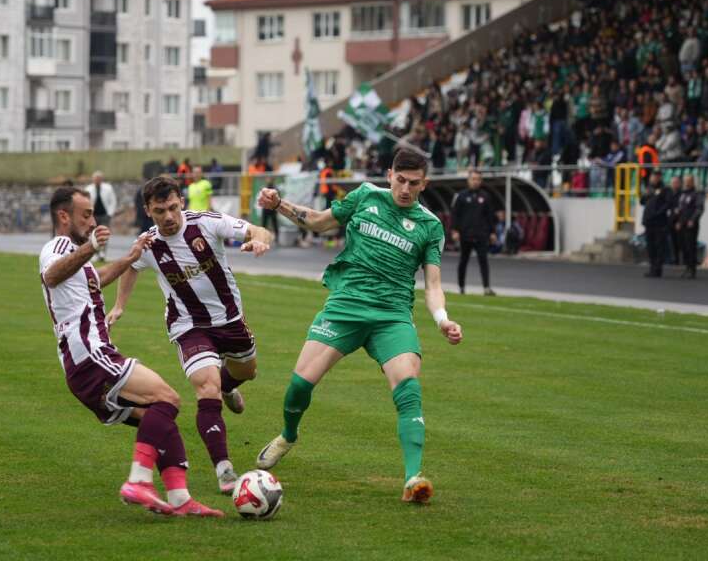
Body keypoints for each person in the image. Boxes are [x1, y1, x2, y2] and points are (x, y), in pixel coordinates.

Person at [253, 149, 463, 504]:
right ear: (389, 174)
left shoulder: (430, 226)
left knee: (408, 386)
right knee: (299, 385)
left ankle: (413, 478)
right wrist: (279, 206)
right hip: (346, 305)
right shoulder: (365, 196)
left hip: (391, 315)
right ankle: (288, 435)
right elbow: (319, 222)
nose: (405, 189)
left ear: (424, 183)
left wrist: (442, 320)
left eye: (414, 183)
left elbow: (432, 285)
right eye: (400, 180)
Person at [38, 187, 221, 517]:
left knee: (161, 420)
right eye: (86, 215)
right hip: (91, 355)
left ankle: (180, 500)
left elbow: (97, 279)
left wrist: (131, 256)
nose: (93, 221)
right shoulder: (60, 246)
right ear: (64, 217)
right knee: (168, 399)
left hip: (82, 366)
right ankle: (139, 481)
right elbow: (52, 275)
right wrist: (92, 246)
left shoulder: (74, 257)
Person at [109, 176, 275, 495]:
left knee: (246, 372)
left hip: (230, 319)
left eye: (172, 208)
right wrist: (119, 306)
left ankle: (229, 387)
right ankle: (224, 470)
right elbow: (131, 266)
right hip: (188, 326)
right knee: (206, 387)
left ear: (181, 202)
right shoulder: (148, 243)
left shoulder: (207, 224)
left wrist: (259, 239)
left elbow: (256, 229)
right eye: (160, 211)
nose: (168, 217)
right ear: (148, 211)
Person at [450, 169, 497, 295]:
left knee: (483, 261)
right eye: (473, 179)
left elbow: (490, 216)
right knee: (463, 261)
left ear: (481, 181)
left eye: (478, 179)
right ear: (468, 180)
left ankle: (486, 288)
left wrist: (492, 232)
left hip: (481, 235)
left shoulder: (485, 196)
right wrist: (455, 230)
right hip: (465, 235)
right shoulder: (461, 196)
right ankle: (461, 287)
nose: (475, 181)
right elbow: (455, 214)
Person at [641, 173, 672, 278]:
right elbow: (642, 201)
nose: (653, 178)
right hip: (648, 222)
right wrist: (645, 194)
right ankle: (652, 268)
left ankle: (658, 269)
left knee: (659, 246)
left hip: (659, 222)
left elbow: (668, 203)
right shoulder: (648, 188)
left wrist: (658, 213)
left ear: (659, 178)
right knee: (650, 247)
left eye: (655, 177)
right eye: (652, 177)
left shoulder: (665, 189)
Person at [674, 174, 704, 278]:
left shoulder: (696, 194)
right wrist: (678, 221)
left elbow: (699, 208)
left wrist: (693, 219)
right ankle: (687, 267)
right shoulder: (683, 194)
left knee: (691, 247)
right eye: (685, 181)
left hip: (690, 225)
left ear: (692, 182)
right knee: (683, 247)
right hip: (682, 224)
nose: (686, 183)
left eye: (688, 181)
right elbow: (681, 209)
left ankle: (692, 269)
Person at [87, 171, 117, 261]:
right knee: (93, 234)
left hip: (104, 215)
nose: (97, 180)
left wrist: (110, 213)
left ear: (102, 179)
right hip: (93, 216)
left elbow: (113, 201)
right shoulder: (88, 189)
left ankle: (102, 253)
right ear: (93, 180)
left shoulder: (108, 188)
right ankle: (95, 253)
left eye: (99, 179)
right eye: (96, 179)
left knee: (104, 234)